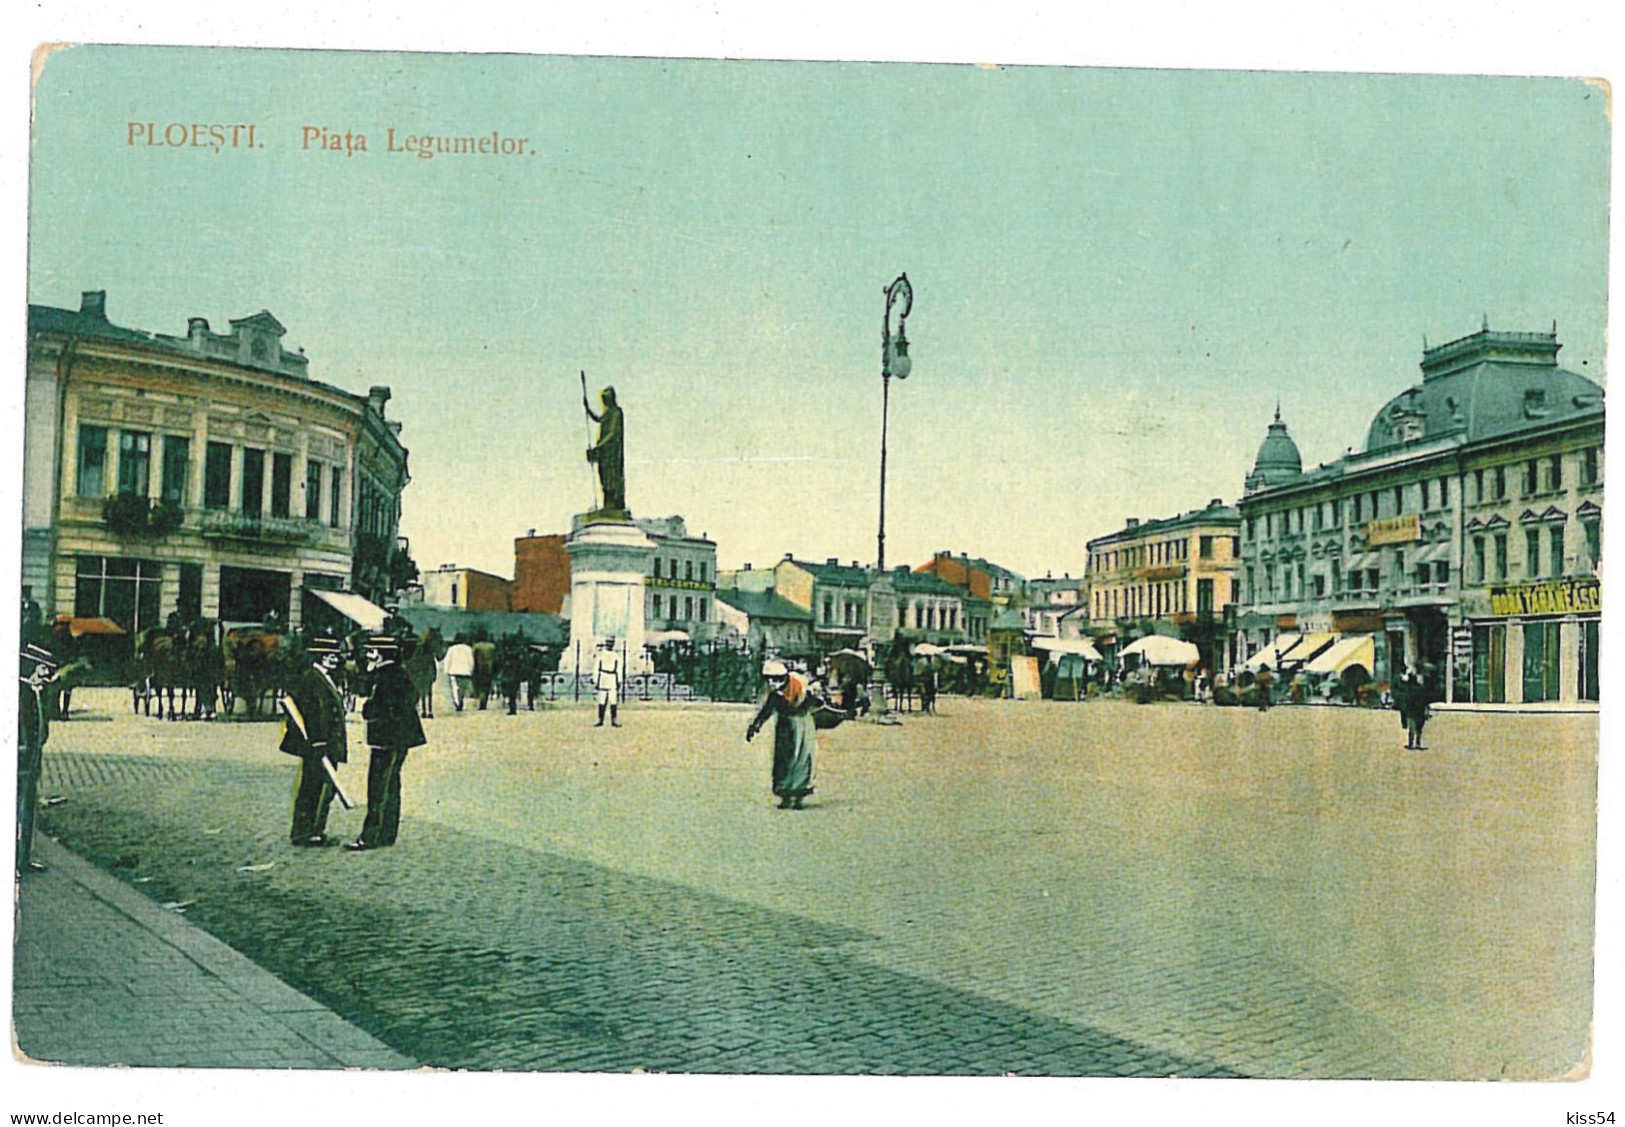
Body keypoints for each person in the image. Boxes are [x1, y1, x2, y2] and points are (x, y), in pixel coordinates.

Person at [347, 635, 426, 852]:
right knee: (391, 786)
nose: (368, 655)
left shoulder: (386, 676)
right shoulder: (398, 673)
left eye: (372, 651)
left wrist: (369, 709)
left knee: (378, 787)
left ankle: (369, 836)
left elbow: (381, 707)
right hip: (399, 739)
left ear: (381, 654)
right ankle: (386, 834)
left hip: (386, 739)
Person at [279, 636, 348, 847]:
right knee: (312, 787)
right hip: (320, 744)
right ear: (319, 657)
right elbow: (311, 713)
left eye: (335, 656)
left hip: (328, 743)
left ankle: (315, 829)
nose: (333, 660)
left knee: (323, 788)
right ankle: (305, 832)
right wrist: (318, 741)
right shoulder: (311, 679)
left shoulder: (324, 677)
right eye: (328, 656)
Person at [746, 659, 820, 810]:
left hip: (802, 726)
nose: (773, 683)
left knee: (802, 759)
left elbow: (818, 704)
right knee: (783, 760)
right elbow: (766, 711)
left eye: (777, 679)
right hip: (785, 728)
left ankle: (799, 794)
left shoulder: (802, 688)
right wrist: (754, 727)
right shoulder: (775, 695)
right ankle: (785, 795)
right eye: (770, 679)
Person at [17, 641, 56, 874]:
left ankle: (23, 858)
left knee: (27, 809)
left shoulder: (35, 693)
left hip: (32, 759)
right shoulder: (20, 694)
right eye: (42, 670)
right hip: (20, 760)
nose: (45, 675)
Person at [582, 384, 626, 514]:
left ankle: (613, 503)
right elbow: (598, 419)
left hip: (612, 452)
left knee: (611, 477)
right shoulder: (607, 413)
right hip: (605, 453)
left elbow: (613, 432)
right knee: (604, 476)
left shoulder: (616, 413)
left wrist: (599, 446)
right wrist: (588, 409)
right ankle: (608, 503)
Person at [1397, 666, 1431, 750]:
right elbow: (1425, 699)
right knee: (1419, 728)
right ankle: (1417, 743)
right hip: (1419, 711)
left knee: (1412, 728)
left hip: (1411, 711)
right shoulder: (1420, 688)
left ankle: (1411, 743)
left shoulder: (1407, 689)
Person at [593, 637, 623, 727]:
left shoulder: (616, 656)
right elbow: (596, 668)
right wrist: (596, 680)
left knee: (613, 700)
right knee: (602, 700)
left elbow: (619, 669)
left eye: (611, 643)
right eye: (608, 643)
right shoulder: (601, 655)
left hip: (612, 678)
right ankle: (600, 719)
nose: (610, 645)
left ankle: (614, 719)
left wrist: (619, 681)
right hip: (603, 677)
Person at [443, 636, 474, 711]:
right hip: (465, 671)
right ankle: (461, 700)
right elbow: (471, 661)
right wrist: (470, 670)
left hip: (453, 671)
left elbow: (447, 660)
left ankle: (458, 703)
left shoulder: (451, 649)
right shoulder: (468, 649)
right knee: (462, 689)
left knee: (455, 688)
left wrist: (446, 671)